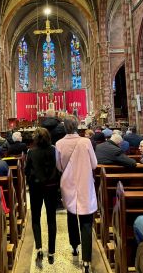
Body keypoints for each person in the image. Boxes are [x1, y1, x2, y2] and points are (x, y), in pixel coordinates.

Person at [56, 115, 98, 273]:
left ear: (64, 127)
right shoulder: (86, 142)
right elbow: (94, 164)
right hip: (84, 183)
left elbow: (59, 166)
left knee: (71, 215)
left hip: (68, 184)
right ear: (77, 126)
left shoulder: (59, 143)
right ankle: (86, 260)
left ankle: (74, 246)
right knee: (86, 221)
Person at [25, 127, 60, 267]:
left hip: (36, 187)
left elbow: (27, 170)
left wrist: (31, 180)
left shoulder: (31, 152)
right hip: (51, 186)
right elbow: (58, 167)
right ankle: (51, 251)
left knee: (36, 217)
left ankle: (39, 247)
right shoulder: (54, 150)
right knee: (51, 218)